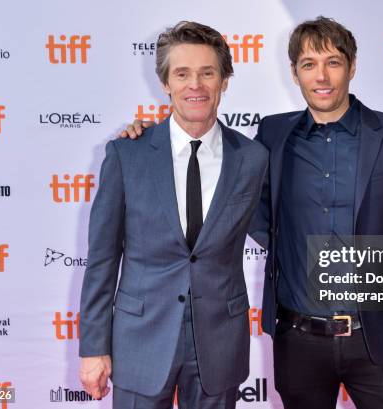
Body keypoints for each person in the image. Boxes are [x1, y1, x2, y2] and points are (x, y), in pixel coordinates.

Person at [122, 16, 383, 409]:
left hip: (378, 339)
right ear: (294, 73)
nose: (321, 76)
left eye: (333, 62)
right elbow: (217, 169)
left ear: (353, 66)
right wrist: (144, 136)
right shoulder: (272, 136)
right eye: (309, 64)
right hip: (299, 342)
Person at [79, 21, 268, 409]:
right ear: (165, 82)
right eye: (182, 74)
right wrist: (93, 347)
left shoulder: (253, 159)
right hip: (139, 341)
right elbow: (101, 260)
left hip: (220, 343)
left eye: (207, 72)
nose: (194, 85)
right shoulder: (126, 155)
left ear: (225, 80)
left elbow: (279, 233)